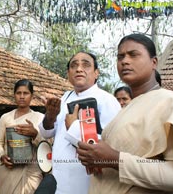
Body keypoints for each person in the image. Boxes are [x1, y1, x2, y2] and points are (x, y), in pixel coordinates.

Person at [77, 34, 173, 193]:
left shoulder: (171, 103)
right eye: (120, 57)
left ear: (154, 62)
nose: (125, 61)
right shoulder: (126, 109)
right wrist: (94, 156)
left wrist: (115, 159)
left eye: (133, 54)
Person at [39, 51, 121, 194]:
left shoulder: (107, 100)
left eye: (86, 64)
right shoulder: (64, 98)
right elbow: (47, 133)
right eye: (74, 65)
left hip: (87, 180)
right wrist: (50, 117)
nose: (79, 69)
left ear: (96, 73)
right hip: (59, 177)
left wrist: (74, 127)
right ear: (68, 74)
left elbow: (110, 145)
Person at [0, 79, 45, 194]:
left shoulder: (39, 118)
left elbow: (47, 146)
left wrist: (35, 134)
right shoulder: (5, 118)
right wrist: (2, 156)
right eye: (18, 93)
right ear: (14, 95)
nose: (22, 96)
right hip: (8, 171)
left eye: (25, 93)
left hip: (31, 172)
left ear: (32, 96)